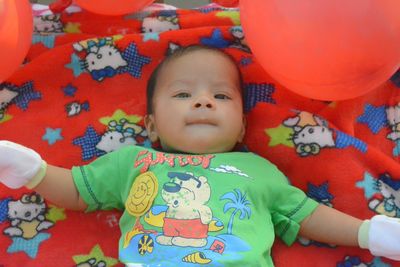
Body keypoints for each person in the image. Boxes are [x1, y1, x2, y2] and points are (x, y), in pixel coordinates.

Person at [1, 45, 400, 266]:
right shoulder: (134, 162)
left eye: (221, 96)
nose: (204, 102)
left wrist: (369, 233)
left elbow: (308, 215)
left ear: (242, 126)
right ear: (152, 125)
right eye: (183, 94)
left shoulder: (258, 170)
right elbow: (76, 189)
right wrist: (31, 170)